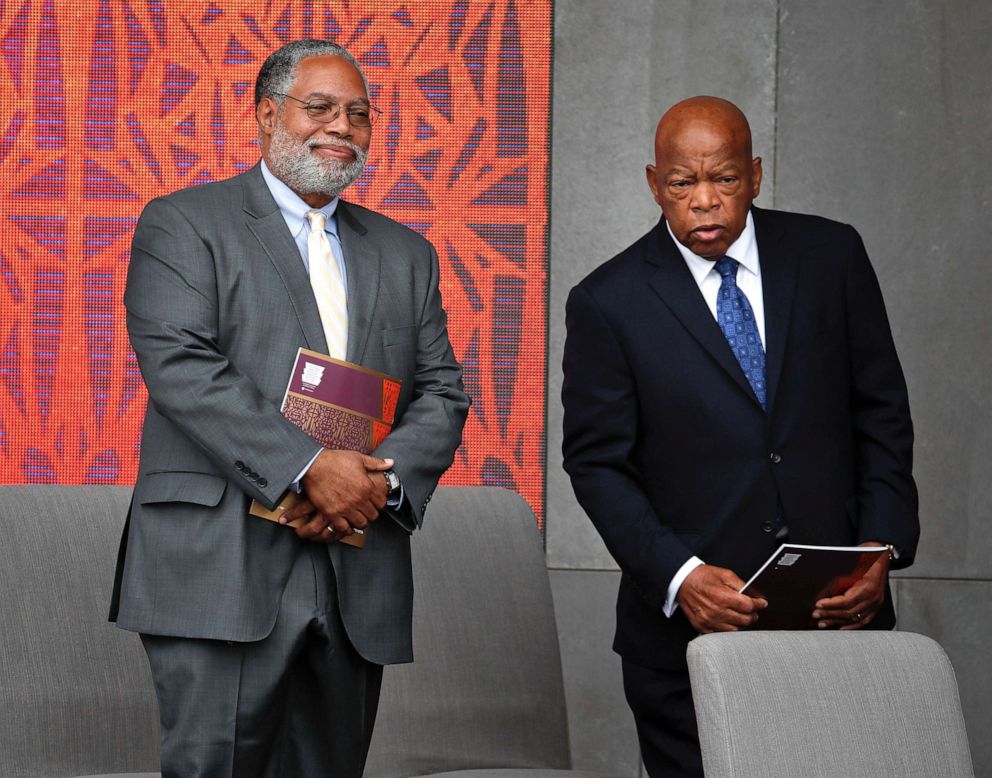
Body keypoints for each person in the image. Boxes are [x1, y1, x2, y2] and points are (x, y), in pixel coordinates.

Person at [110, 39, 469, 777]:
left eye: (359, 114)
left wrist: (375, 486)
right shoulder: (183, 223)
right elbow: (182, 368)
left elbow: (442, 390)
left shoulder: (406, 254)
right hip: (221, 561)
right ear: (266, 114)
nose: (341, 125)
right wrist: (307, 468)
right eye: (321, 107)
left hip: (353, 563)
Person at [561, 96, 919, 777]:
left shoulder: (831, 256)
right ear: (652, 183)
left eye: (723, 180)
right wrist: (680, 575)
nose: (703, 201)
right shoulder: (608, 301)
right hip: (685, 643)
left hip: (837, 620)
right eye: (681, 183)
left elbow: (881, 412)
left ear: (754, 175)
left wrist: (880, 546)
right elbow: (597, 465)